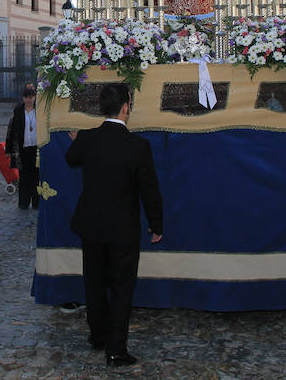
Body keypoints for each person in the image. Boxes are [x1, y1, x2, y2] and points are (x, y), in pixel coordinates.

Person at [65, 84, 163, 367]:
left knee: (94, 283)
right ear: (125, 108)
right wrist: (156, 224)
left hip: (91, 225)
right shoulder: (138, 146)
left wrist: (79, 141)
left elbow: (71, 159)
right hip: (123, 229)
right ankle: (116, 349)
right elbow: (149, 190)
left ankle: (98, 336)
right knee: (121, 288)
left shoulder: (87, 138)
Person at [5, 85, 40, 210]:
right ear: (23, 98)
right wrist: (8, 149)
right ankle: (24, 203)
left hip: (36, 149)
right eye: (26, 97)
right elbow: (11, 130)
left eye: (31, 97)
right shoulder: (18, 111)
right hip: (22, 148)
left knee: (36, 176)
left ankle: (37, 202)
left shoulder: (39, 110)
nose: (29, 99)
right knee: (24, 176)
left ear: (34, 97)